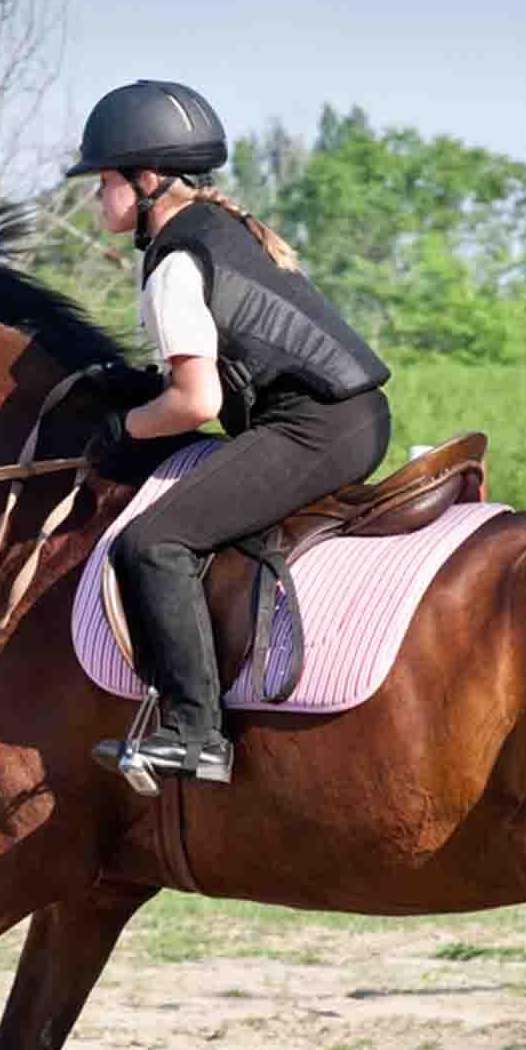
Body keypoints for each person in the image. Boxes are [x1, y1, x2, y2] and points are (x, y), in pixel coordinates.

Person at [70, 79, 393, 788]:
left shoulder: (177, 264)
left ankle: (195, 732)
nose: (97, 195)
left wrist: (119, 429)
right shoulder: (219, 232)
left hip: (316, 429)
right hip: (344, 418)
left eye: (104, 180)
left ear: (146, 180)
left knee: (154, 543)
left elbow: (194, 401)